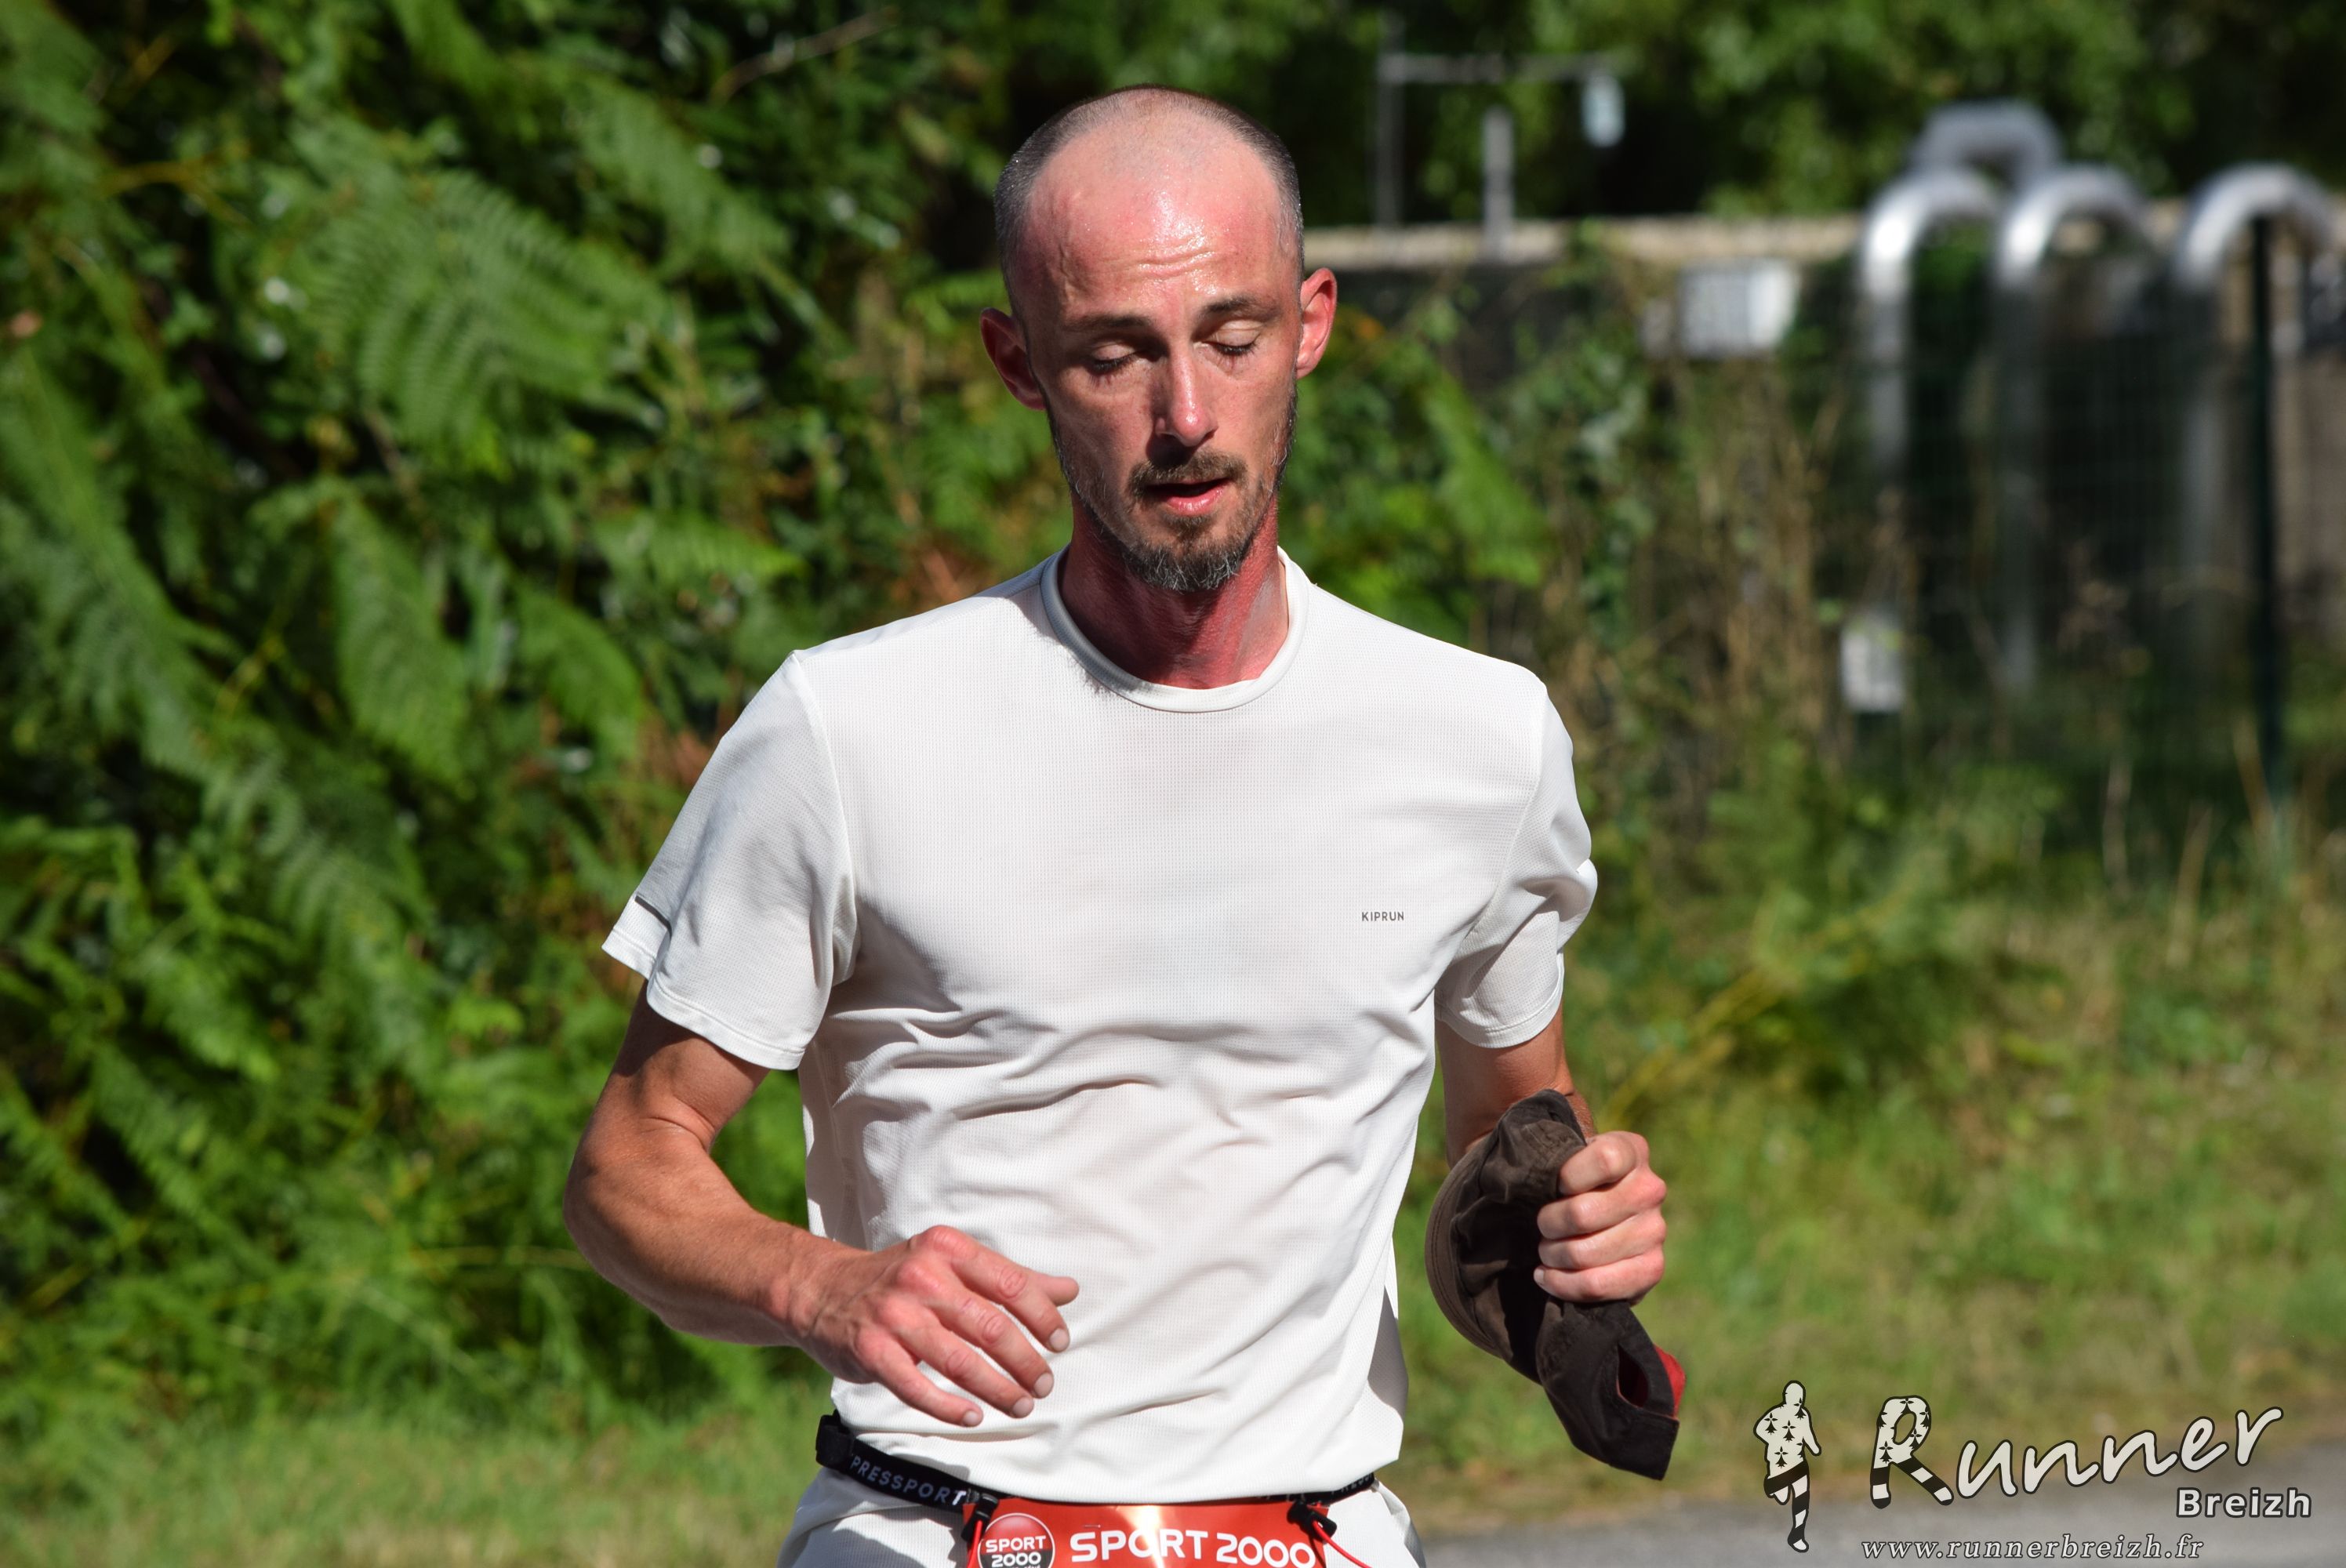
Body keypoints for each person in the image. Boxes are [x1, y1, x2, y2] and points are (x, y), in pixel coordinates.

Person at [562, 85, 1669, 1568]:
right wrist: (821, 1287)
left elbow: (1507, 1143)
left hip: (1321, 1537)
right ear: (1018, 362)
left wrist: (1573, 1241)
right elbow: (628, 1165)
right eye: (1114, 356)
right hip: (938, 1532)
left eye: (1232, 337)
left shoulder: (1478, 736)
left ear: (1312, 325)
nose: (1187, 416)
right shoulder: (848, 727)